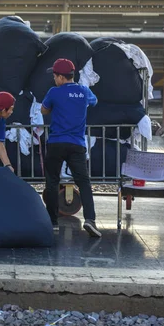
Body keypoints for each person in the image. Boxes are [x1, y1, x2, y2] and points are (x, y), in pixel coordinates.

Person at [41, 58, 101, 238]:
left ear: (60, 77)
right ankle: (90, 219)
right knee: (83, 182)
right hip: (77, 144)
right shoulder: (84, 91)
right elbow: (94, 102)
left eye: (54, 76)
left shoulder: (54, 92)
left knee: (52, 181)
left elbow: (44, 110)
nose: (54, 79)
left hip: (56, 143)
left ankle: (53, 222)